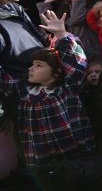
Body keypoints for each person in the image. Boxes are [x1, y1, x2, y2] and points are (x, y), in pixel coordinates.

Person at [0, 10, 94, 169]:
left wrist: (62, 34)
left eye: (39, 65)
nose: (31, 69)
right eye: (32, 65)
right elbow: (4, 79)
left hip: (79, 154)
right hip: (47, 163)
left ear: (56, 72)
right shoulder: (24, 95)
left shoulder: (66, 89)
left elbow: (76, 64)